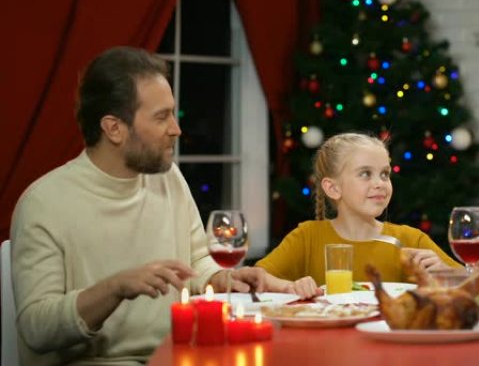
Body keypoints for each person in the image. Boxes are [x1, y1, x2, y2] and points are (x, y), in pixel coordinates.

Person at [9, 46, 283, 366]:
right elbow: (36, 328)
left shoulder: (168, 179)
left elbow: (196, 265)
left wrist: (221, 280)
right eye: (161, 117)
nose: (176, 130)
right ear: (114, 128)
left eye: (172, 113)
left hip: (177, 356)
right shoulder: (44, 203)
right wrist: (115, 288)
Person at [256, 132, 462, 299]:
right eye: (365, 174)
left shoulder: (410, 239)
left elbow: (473, 282)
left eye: (384, 174)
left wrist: (445, 273)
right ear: (333, 188)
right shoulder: (307, 237)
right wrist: (289, 286)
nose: (380, 183)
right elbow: (253, 278)